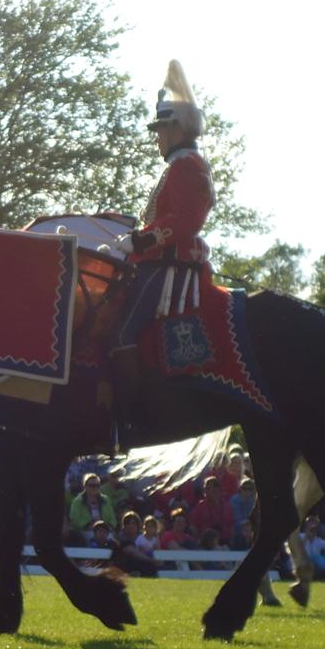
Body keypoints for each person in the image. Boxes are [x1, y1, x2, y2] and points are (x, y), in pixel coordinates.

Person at [109, 60, 215, 436]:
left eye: (160, 129)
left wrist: (144, 239)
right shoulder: (179, 166)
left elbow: (185, 220)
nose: (157, 137)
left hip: (168, 268)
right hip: (159, 262)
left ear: (177, 128)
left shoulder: (186, 166)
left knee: (121, 334)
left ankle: (131, 418)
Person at [69, 473, 115, 543]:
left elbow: (113, 519)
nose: (95, 488)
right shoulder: (78, 501)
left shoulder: (106, 500)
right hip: (86, 533)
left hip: (105, 532)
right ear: (85, 486)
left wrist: (108, 526)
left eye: (97, 485)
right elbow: (74, 520)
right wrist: (88, 526)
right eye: (91, 485)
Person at [190, 476, 233, 544]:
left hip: (224, 541)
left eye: (215, 488)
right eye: (209, 488)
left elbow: (231, 524)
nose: (212, 491)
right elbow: (193, 525)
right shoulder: (200, 506)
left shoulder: (226, 506)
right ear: (205, 491)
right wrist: (198, 538)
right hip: (206, 543)